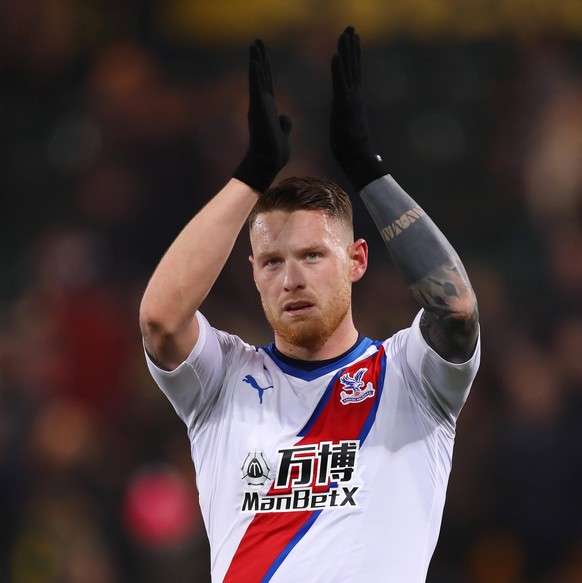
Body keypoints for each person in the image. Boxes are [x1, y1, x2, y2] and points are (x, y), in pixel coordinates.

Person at [139, 26, 480, 583]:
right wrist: (250, 176)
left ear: (357, 260)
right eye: (272, 262)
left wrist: (367, 169)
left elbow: (457, 311)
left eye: (313, 256)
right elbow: (160, 319)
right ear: (253, 274)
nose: (292, 278)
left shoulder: (410, 377)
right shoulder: (221, 383)